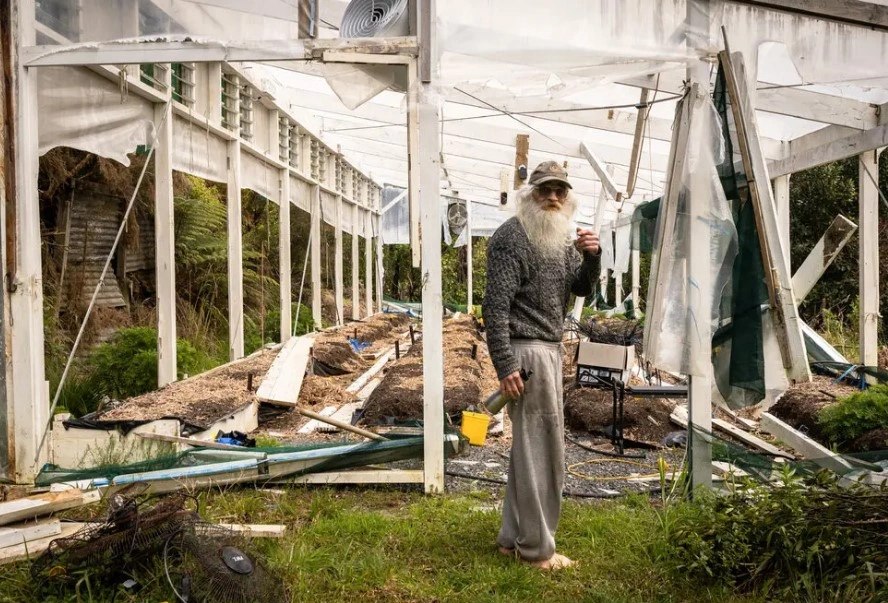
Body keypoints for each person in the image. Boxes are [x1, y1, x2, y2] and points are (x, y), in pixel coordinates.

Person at [482, 160, 601, 570]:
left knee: (527, 451)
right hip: (527, 352)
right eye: (545, 190)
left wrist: (592, 258)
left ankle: (511, 539)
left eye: (560, 191)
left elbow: (580, 286)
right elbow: (495, 308)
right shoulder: (512, 237)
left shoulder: (559, 238)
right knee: (544, 452)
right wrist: (505, 364)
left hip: (548, 350)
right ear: (529, 194)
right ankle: (536, 551)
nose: (553, 197)